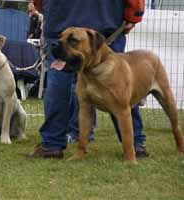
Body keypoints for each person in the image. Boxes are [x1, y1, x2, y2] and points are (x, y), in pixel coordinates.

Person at [28, 0, 149, 159]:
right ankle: (135, 144)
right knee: (121, 87)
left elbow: (38, 3)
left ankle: (52, 144)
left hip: (62, 15)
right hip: (106, 18)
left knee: (59, 82)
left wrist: (45, 8)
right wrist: (134, 15)